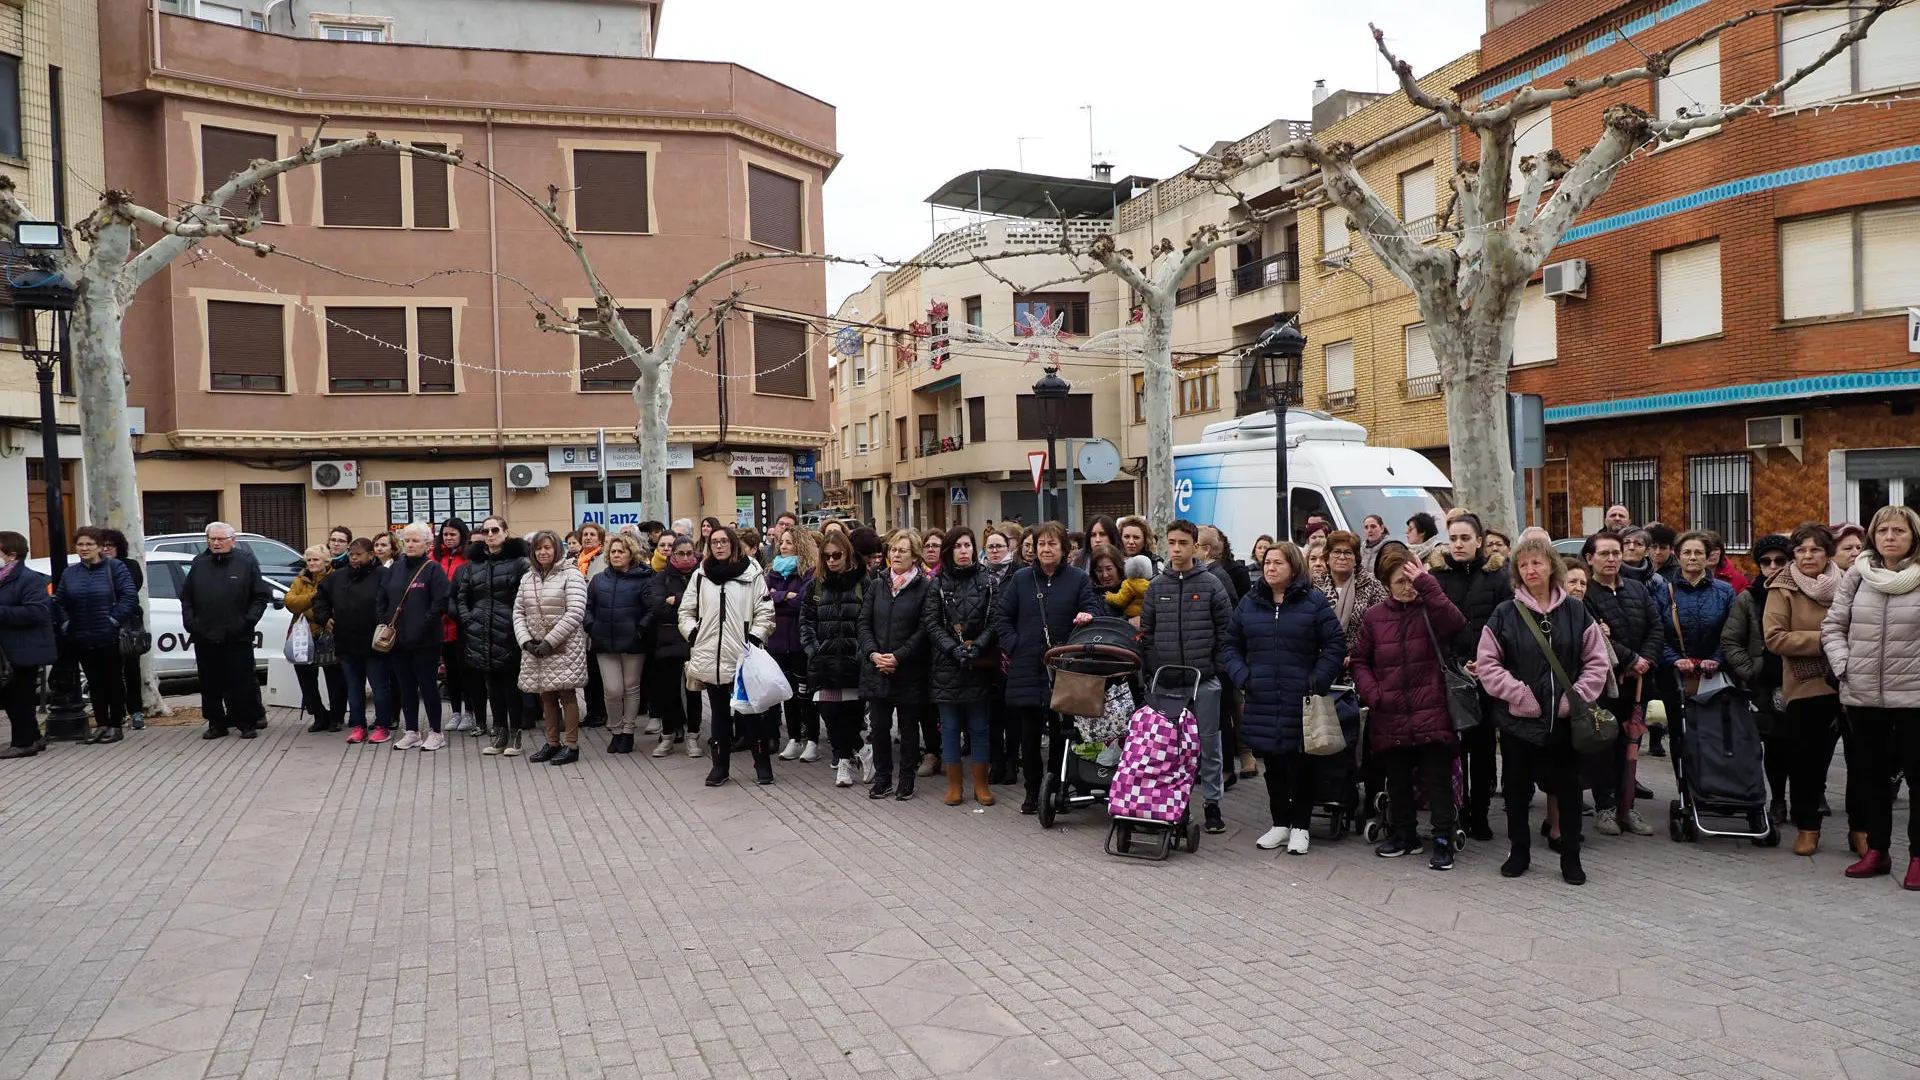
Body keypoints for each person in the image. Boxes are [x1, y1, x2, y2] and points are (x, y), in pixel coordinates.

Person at [1476, 537, 1611, 885]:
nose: (1530, 570)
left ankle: (1570, 856)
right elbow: (1488, 664)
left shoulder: (1576, 611)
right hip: (1519, 721)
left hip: (1565, 721)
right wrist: (1519, 695)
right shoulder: (1505, 613)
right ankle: (1519, 851)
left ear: (1552, 566)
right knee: (1518, 791)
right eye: (1523, 565)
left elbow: (1596, 661)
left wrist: (1575, 699)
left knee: (1568, 789)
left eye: (1537, 563)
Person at [1223, 541, 1346, 856]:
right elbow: (1230, 644)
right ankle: (1280, 823)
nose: (1270, 567)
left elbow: (1335, 643)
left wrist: (1318, 680)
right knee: (1273, 764)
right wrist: (1243, 676)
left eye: (1278, 562)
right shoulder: (1250, 602)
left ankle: (1301, 827)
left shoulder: (1313, 602)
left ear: (1293, 567)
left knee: (1301, 763)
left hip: (1300, 698)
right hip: (1262, 697)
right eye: (1267, 562)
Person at [1820, 504, 1920, 887]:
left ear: (1913, 536)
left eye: (1899, 530)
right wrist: (1845, 667)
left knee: (1917, 777)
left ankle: (1917, 856)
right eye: (1882, 531)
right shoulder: (1857, 576)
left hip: (1914, 697)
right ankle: (1877, 850)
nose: (1890, 537)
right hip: (1862, 696)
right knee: (1870, 777)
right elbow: (1832, 627)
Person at [1351, 546, 1468, 868]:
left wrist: (1428, 584)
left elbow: (1457, 622)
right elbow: (1359, 660)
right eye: (1399, 582)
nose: (1407, 588)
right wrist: (1374, 694)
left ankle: (1444, 840)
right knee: (1398, 780)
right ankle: (1405, 835)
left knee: (1438, 781)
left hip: (1432, 710)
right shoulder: (1375, 617)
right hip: (1390, 713)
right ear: (1387, 583)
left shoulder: (1431, 608)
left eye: (1411, 581)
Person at [994, 521, 1101, 815]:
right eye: (1041, 544)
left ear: (1064, 548)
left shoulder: (1078, 579)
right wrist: (1015, 644)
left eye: (1052, 544)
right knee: (1028, 738)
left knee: (1061, 734)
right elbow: (1002, 616)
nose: (1045, 549)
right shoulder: (1021, 579)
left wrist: (1086, 616)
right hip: (1027, 666)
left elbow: (1092, 609)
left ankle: (1056, 790)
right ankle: (1031, 790)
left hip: (1064, 669)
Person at [1138, 520, 1234, 833]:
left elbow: (1226, 630)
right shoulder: (1157, 585)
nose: (1176, 549)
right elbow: (1147, 632)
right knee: (1169, 747)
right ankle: (1175, 804)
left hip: (1204, 680)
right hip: (1167, 682)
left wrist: (1214, 666)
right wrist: (1154, 666)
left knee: (1209, 744)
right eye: (1172, 542)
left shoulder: (1211, 584)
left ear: (1195, 546)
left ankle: (1212, 804)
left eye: (1183, 543)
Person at [1761, 524, 1843, 856]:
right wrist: (1829, 639)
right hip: (1807, 684)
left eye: (1815, 550)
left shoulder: (1849, 582)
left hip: (1853, 681)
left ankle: (1863, 830)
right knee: (1807, 763)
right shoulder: (1782, 588)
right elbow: (1776, 638)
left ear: (1828, 554)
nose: (1808, 556)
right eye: (1801, 551)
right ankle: (1808, 827)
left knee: (1862, 761)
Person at [1427, 514, 1507, 842]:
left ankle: (1481, 813)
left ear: (1479, 541)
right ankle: (1457, 808)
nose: (1458, 544)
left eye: (1465, 538)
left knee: (1483, 748)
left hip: (1486, 674)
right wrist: (1453, 663)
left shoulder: (1498, 577)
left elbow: (1504, 624)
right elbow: (1431, 626)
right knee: (1452, 749)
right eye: (1453, 538)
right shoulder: (1437, 576)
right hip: (1449, 674)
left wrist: (1486, 661)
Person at [680, 525, 776, 785]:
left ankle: (762, 766)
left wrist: (754, 638)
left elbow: (765, 611)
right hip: (711, 656)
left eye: (724, 541)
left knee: (751, 714)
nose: (719, 546)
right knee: (720, 717)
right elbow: (686, 610)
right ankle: (720, 767)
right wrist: (693, 634)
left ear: (733, 544)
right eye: (714, 542)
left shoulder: (751, 571)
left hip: (743, 656)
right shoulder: (701, 574)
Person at [1583, 529, 1664, 837]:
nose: (1612, 558)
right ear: (1590, 559)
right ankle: (1605, 808)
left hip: (1638, 686)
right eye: (1604, 553)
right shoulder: (1585, 593)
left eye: (1616, 553)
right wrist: (1630, 659)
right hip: (1603, 686)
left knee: (1630, 749)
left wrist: (1645, 660)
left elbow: (1656, 627)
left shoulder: (1636, 589)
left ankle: (1627, 807)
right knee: (1604, 747)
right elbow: (1594, 636)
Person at [923, 527, 1000, 806]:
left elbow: (995, 620)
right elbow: (931, 623)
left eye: (968, 545)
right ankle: (955, 786)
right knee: (951, 727)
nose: (964, 551)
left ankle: (982, 784)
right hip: (946, 666)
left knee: (980, 727)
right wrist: (952, 649)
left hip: (978, 664)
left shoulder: (988, 581)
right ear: (949, 551)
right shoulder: (937, 583)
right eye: (958, 546)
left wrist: (977, 646)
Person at [859, 529, 933, 800]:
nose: (896, 554)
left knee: (908, 728)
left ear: (914, 555)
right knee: (878, 728)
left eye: (902, 550)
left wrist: (898, 657)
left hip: (908, 669)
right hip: (877, 668)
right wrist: (874, 654)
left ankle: (906, 779)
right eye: (893, 550)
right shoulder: (878, 584)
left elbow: (925, 629)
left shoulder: (925, 587)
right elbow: (864, 623)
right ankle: (882, 778)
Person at [181, 522, 271, 740]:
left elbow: (260, 596)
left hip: (237, 635)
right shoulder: (199, 563)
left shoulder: (245, 562)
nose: (216, 543)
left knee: (241, 682)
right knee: (210, 683)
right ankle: (216, 723)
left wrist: (247, 622)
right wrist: (192, 623)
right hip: (205, 636)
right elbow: (187, 598)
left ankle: (247, 722)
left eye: (221, 539)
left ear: (233, 540)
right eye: (212, 539)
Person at [1723, 534, 1790, 822]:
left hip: (1799, 680)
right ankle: (1775, 800)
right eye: (1766, 561)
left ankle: (1809, 799)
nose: (1772, 566)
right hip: (1762, 684)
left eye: (1780, 560)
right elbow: (1730, 640)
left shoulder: (1801, 592)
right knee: (1772, 744)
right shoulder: (1748, 597)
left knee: (1801, 744)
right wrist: (1750, 670)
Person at [53, 527, 138, 745]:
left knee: (113, 681)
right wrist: (66, 623)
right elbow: (60, 601)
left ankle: (115, 724)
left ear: (100, 547)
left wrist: (113, 620)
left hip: (109, 636)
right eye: (80, 544)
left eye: (89, 544)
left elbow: (129, 597)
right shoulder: (70, 573)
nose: (84, 548)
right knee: (94, 682)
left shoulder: (115, 568)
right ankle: (101, 724)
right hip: (81, 636)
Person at [453, 517, 530, 753]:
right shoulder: (473, 564)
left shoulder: (520, 562)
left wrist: (514, 622)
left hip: (508, 631)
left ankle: (515, 734)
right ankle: (499, 733)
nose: (490, 534)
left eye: (495, 530)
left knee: (511, 685)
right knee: (492, 686)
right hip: (480, 632)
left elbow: (526, 596)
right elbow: (462, 597)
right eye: (486, 531)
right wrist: (469, 619)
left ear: (505, 532)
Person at [1662, 531, 1737, 766]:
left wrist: (1717, 658)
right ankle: (1686, 791)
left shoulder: (1725, 592)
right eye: (1687, 552)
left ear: (1708, 557)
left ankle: (1714, 789)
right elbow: (1656, 633)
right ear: (1678, 556)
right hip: (1675, 678)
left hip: (1713, 677)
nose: (1692, 557)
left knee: (1714, 735)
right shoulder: (1662, 590)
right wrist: (1674, 659)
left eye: (1698, 553)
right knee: (1680, 735)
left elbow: (1732, 631)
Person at [515, 529, 589, 765]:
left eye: (547, 547)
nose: (543, 552)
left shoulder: (571, 575)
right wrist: (525, 640)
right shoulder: (528, 577)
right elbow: (518, 611)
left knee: (566, 694)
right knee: (545, 695)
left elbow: (575, 612)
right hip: (536, 646)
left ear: (557, 549)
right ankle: (552, 741)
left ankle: (571, 745)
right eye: (538, 548)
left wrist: (550, 641)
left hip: (563, 646)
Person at [377, 523, 453, 750]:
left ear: (427, 544)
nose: (410, 545)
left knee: (427, 685)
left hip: (425, 640)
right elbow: (382, 596)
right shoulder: (396, 568)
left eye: (415, 541)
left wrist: (423, 625)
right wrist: (382, 620)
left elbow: (440, 602)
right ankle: (411, 731)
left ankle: (436, 732)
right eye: (407, 541)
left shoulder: (433, 569)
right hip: (398, 640)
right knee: (405, 686)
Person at [803, 530, 869, 787]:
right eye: (827, 556)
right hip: (825, 662)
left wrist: (863, 651)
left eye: (837, 555)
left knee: (853, 715)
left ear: (847, 553)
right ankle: (852, 755)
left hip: (854, 660)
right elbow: (806, 621)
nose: (832, 560)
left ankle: (848, 757)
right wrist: (814, 649)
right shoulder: (816, 584)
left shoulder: (863, 583)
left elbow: (869, 619)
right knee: (829, 711)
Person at [315, 538, 390, 743]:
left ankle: (383, 725)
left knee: (379, 686)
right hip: (346, 641)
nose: (354, 558)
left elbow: (393, 601)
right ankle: (358, 726)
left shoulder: (383, 575)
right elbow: (319, 599)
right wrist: (324, 617)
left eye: (359, 554)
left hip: (374, 642)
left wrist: (386, 623)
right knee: (353, 687)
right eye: (351, 554)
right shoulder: (337, 577)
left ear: (371, 555)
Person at [585, 532, 652, 754]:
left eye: (620, 551)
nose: (616, 555)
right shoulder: (598, 580)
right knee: (612, 689)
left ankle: (628, 731)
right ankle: (615, 729)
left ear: (630, 553)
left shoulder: (644, 578)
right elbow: (588, 607)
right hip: (604, 641)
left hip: (633, 642)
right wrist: (591, 626)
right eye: (612, 551)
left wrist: (641, 629)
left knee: (631, 687)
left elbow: (651, 609)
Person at [645, 535, 704, 758]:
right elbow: (657, 605)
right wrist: (685, 603)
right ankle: (668, 736)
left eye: (690, 553)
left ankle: (693, 736)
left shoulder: (701, 575)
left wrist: (676, 600)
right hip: (667, 641)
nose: (687, 557)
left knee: (693, 691)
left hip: (694, 641)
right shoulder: (662, 576)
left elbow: (703, 605)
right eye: (681, 553)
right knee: (668, 692)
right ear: (673, 554)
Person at [0, 532, 55, 759]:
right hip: (8, 650)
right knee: (13, 697)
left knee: (18, 697)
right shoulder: (4, 577)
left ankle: (23, 743)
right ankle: (33, 737)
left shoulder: (28, 578)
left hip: (24, 648)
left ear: (12, 555)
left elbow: (38, 611)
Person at [767, 527, 819, 762]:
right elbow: (765, 598)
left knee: (805, 693)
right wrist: (782, 596)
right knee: (787, 694)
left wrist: (781, 596)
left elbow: (802, 603)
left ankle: (813, 741)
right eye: (782, 542)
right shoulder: (773, 572)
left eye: (789, 542)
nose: (784, 546)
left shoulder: (808, 573)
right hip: (778, 641)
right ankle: (793, 738)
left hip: (800, 642)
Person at [283, 545, 347, 734]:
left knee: (335, 679)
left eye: (316, 560)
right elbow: (290, 603)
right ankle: (319, 715)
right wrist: (316, 596)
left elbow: (331, 606)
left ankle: (337, 717)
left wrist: (310, 606)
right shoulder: (300, 579)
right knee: (306, 680)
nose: (311, 563)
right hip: (304, 635)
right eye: (309, 560)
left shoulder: (336, 577)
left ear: (326, 561)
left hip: (329, 634)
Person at [97, 529, 148, 730]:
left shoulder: (130, 566)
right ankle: (115, 713)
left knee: (132, 670)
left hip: (128, 626)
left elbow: (130, 590)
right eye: (103, 545)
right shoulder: (94, 568)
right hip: (103, 626)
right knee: (110, 672)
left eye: (111, 545)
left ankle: (136, 711)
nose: (106, 549)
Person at [1313, 530, 1388, 650]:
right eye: (1336, 552)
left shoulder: (1372, 585)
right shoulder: (1314, 586)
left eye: (1348, 553)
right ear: (1327, 557)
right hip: (1320, 656)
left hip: (1359, 657)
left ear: (1355, 558)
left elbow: (1384, 624)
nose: (1342, 557)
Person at [432, 518, 474, 733]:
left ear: (461, 536)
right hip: (441, 625)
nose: (448, 538)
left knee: (467, 671)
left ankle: (470, 712)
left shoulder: (467, 558)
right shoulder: (434, 557)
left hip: (462, 623)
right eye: (445, 534)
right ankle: (455, 711)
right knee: (450, 671)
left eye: (453, 535)